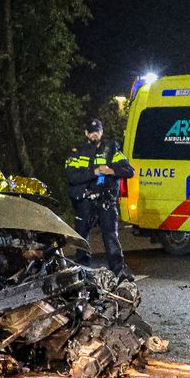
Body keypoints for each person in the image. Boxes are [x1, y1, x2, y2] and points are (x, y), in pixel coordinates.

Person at [65, 118, 136, 280]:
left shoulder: (111, 150)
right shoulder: (78, 152)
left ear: (101, 132)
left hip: (106, 202)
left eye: (96, 131)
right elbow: (71, 176)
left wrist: (110, 170)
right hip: (85, 202)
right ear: (86, 133)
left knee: (111, 236)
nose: (94, 134)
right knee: (82, 239)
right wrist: (94, 172)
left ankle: (118, 271)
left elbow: (129, 170)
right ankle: (82, 272)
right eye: (90, 132)